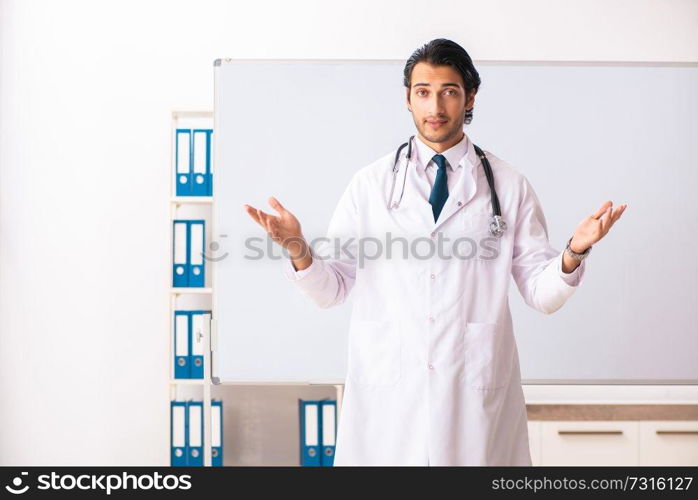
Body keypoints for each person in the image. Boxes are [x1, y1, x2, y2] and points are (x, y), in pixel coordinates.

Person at [243, 38, 627, 466]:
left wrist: (574, 251)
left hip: (473, 402)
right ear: (407, 98)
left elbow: (542, 292)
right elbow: (331, 289)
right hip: (389, 403)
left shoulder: (508, 185)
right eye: (423, 92)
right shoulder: (370, 185)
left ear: (470, 98)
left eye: (449, 91)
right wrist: (297, 247)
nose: (435, 106)